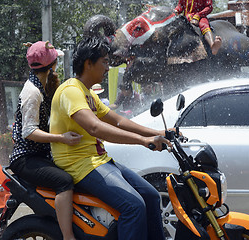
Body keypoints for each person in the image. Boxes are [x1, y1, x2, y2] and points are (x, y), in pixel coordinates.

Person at [50, 36, 171, 240]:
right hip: (79, 164)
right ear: (89, 63)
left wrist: (160, 133)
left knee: (150, 196)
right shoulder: (71, 91)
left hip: (98, 160)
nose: (108, 68)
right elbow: (96, 127)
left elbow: (118, 121)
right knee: (133, 206)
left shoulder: (89, 94)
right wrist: (143, 141)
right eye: (104, 62)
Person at [9, 40, 82, 240]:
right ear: (52, 66)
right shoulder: (32, 92)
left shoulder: (41, 86)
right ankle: (68, 236)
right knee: (64, 181)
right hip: (26, 158)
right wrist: (62, 138)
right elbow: (29, 131)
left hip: (38, 154)